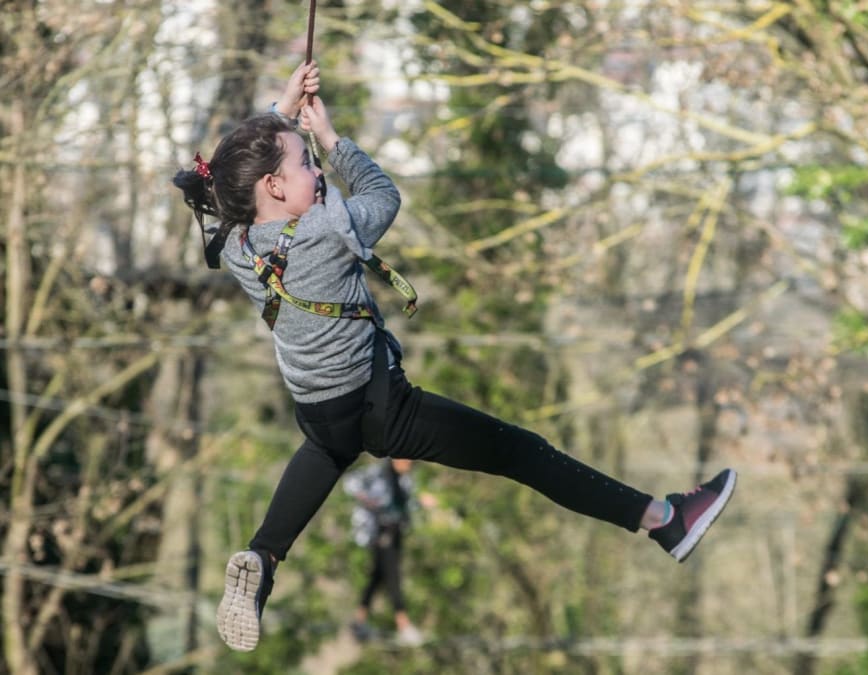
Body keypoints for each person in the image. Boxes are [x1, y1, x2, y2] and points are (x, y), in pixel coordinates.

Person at [172, 59, 738, 653]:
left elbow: (236, 171)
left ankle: (262, 558)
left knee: (324, 455)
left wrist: (283, 114)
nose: (317, 173)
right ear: (275, 187)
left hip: (321, 413)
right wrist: (334, 140)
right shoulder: (330, 227)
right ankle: (663, 520)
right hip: (382, 406)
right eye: (306, 165)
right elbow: (383, 195)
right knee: (522, 452)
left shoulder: (236, 245)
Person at [344, 458, 432, 646]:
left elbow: (403, 507)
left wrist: (420, 502)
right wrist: (369, 501)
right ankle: (403, 624)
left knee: (378, 577)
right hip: (380, 533)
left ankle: (359, 621)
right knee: (393, 576)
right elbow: (351, 483)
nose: (409, 463)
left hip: (395, 532)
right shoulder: (377, 473)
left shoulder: (405, 480)